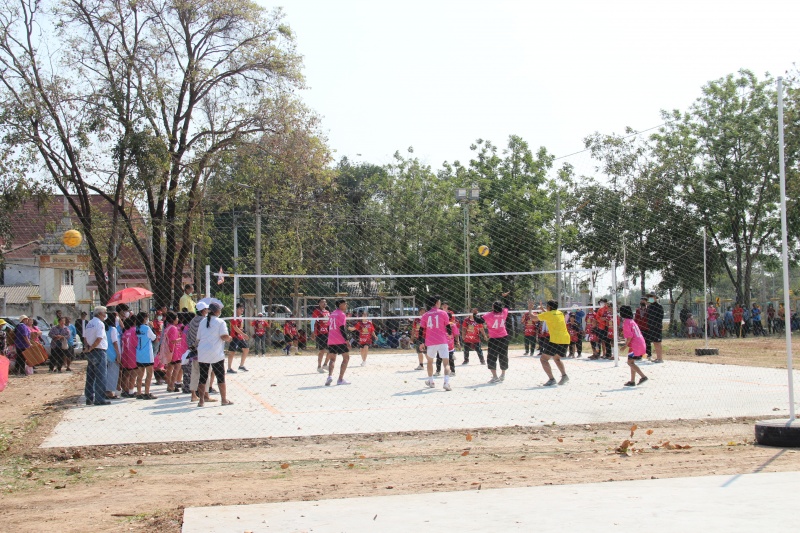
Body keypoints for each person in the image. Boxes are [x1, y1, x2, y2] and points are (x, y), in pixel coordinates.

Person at [196, 303, 233, 407]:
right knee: (220, 376)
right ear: (217, 311)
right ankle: (224, 399)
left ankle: (201, 401)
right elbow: (224, 336)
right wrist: (229, 338)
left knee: (203, 377)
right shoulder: (220, 322)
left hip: (203, 352)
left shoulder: (203, 321)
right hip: (215, 353)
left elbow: (198, 337)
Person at [532, 300, 570, 386]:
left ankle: (551, 379)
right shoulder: (560, 313)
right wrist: (543, 309)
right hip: (565, 339)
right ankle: (564, 376)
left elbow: (533, 318)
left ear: (549, 307)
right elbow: (550, 315)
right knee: (556, 358)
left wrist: (530, 309)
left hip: (556, 340)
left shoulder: (548, 314)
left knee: (543, 359)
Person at [185, 301, 215, 403]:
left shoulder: (192, 321)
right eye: (206, 309)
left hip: (194, 350)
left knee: (195, 372)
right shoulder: (205, 321)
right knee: (206, 373)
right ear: (203, 310)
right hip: (204, 350)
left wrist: (192, 346)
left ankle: (193, 394)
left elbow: (189, 336)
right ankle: (206, 394)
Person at [420, 295, 452, 391]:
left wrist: (421, 342)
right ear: (437, 303)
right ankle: (446, 382)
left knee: (430, 362)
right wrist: (449, 334)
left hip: (430, 341)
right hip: (442, 340)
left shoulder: (425, 315)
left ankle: (431, 381)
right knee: (446, 363)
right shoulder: (443, 313)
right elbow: (448, 327)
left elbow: (421, 330)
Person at [83, 307, 110, 405]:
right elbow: (99, 338)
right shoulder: (100, 323)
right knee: (101, 376)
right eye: (104, 313)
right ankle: (99, 399)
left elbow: (85, 337)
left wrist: (88, 347)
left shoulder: (89, 323)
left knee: (90, 376)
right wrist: (92, 347)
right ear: (99, 314)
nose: (105, 315)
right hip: (99, 351)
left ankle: (89, 397)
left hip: (91, 351)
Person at [483, 292, 511, 383]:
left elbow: (479, 320)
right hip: (504, 337)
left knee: (491, 357)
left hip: (494, 338)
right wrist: (506, 297)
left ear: (493, 307)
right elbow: (507, 305)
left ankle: (495, 376)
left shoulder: (489, 315)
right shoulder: (504, 312)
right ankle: (503, 375)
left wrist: (474, 315)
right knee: (503, 355)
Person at [619, 305, 648, 387]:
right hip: (640, 342)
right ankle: (632, 381)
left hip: (635, 345)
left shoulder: (626, 322)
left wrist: (625, 346)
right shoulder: (632, 321)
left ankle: (643, 376)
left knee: (630, 362)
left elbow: (630, 336)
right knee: (632, 362)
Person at [325, 299, 351, 386]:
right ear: (340, 305)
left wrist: (331, 336)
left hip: (331, 339)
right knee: (346, 358)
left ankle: (329, 376)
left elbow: (328, 327)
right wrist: (347, 340)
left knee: (332, 359)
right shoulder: (341, 314)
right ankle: (340, 379)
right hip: (340, 339)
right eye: (345, 304)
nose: (346, 305)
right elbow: (342, 328)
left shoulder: (332, 314)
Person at [134, 311, 157, 400]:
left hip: (139, 353)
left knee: (140, 374)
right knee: (149, 374)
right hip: (147, 353)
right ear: (144, 318)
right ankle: (147, 392)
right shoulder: (147, 328)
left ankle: (139, 392)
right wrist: (152, 327)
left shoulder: (137, 328)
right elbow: (153, 337)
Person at [159, 311, 182, 392]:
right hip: (174, 351)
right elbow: (173, 341)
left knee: (170, 368)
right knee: (177, 367)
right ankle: (172, 385)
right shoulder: (173, 328)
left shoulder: (167, 327)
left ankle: (169, 385)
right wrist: (181, 338)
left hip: (168, 350)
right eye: (177, 317)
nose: (178, 319)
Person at [104, 312, 121, 399]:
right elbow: (115, 342)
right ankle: (109, 392)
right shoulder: (113, 329)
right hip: (112, 353)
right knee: (113, 373)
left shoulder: (104, 329)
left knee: (106, 373)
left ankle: (105, 390)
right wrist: (118, 354)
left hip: (105, 352)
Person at [227, 303, 249, 372]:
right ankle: (229, 368)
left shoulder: (240, 317)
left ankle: (241, 366)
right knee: (232, 352)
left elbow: (240, 327)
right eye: (240, 308)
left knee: (246, 349)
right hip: (234, 336)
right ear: (236, 309)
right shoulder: (234, 317)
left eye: (243, 308)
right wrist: (243, 334)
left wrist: (242, 332)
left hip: (240, 336)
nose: (242, 309)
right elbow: (235, 327)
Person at [119, 317, 138, 398]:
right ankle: (131, 391)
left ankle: (125, 390)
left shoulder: (125, 332)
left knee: (126, 373)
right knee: (134, 373)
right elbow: (136, 343)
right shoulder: (134, 330)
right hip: (133, 354)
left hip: (125, 354)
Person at [644, 292, 664, 363]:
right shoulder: (649, 307)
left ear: (655, 298)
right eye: (649, 297)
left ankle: (660, 358)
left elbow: (660, 317)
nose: (650, 298)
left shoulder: (659, 306)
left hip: (657, 327)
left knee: (658, 342)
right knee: (654, 342)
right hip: (651, 327)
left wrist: (656, 325)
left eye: (652, 297)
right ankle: (657, 358)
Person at [312, 299, 330, 373]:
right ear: (319, 303)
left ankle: (325, 364)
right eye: (322, 302)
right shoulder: (317, 311)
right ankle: (319, 366)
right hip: (320, 333)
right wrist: (312, 332)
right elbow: (312, 321)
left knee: (331, 350)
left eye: (325, 302)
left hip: (328, 332)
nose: (324, 303)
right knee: (322, 350)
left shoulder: (327, 312)